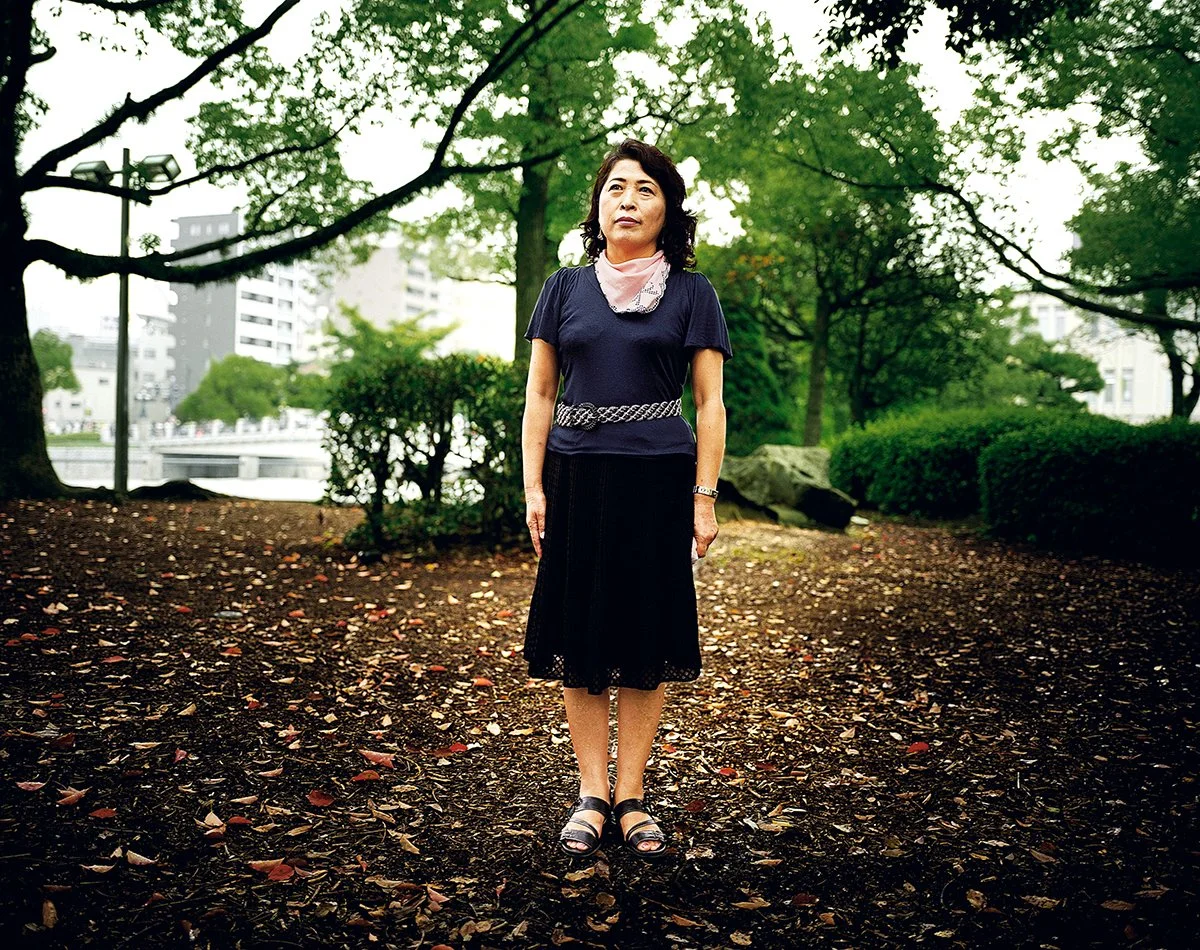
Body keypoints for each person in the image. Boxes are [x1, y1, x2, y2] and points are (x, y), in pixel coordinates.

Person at [520, 139, 732, 859]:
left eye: (645, 189)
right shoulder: (564, 289)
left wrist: (704, 497)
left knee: (644, 637)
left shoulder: (693, 295)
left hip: (656, 481)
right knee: (580, 637)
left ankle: (632, 796)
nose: (629, 201)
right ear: (598, 206)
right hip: (576, 477)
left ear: (667, 209)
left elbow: (709, 405)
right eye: (616, 188)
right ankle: (591, 794)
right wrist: (533, 486)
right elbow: (539, 394)